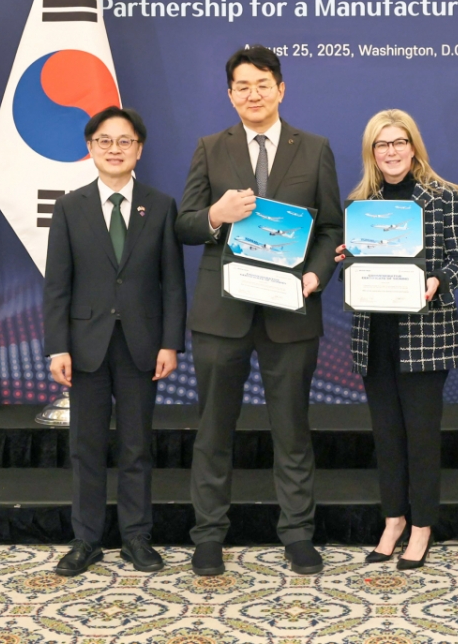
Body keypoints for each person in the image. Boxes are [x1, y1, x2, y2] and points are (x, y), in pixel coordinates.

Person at [177, 45, 343, 576]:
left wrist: (317, 273)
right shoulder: (210, 148)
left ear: (281, 89)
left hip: (291, 311)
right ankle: (208, 536)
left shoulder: (314, 149)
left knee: (292, 430)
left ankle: (297, 534)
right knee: (213, 430)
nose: (253, 94)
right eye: (243, 86)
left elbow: (332, 227)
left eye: (263, 84)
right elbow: (184, 224)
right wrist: (216, 214)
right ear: (230, 95)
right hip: (221, 314)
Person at [43, 106, 187, 577]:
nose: (114, 149)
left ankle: (136, 537)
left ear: (139, 149)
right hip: (84, 346)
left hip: (142, 345)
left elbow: (173, 283)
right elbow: (57, 285)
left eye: (125, 141)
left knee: (136, 446)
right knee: (85, 447)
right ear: (90, 148)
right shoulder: (70, 207)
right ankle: (85, 540)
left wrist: (170, 343)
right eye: (104, 140)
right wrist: (57, 346)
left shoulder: (160, 205)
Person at [335, 109, 458, 570]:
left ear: (413, 147)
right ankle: (393, 520)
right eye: (382, 144)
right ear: (371, 152)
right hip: (375, 335)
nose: (391, 152)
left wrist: (437, 281)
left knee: (422, 437)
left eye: (398, 142)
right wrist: (347, 262)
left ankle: (422, 526)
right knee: (387, 436)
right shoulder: (360, 203)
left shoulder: (445, 196)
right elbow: (352, 273)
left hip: (426, 333)